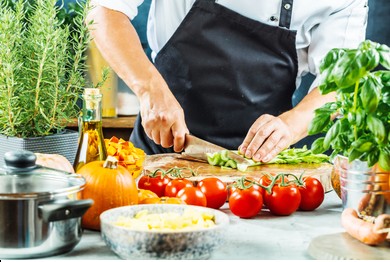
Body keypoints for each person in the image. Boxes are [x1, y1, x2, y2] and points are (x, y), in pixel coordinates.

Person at [87, 0, 368, 162]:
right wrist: (149, 90)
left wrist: (290, 126)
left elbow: (341, 80)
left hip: (257, 172)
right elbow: (104, 12)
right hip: (160, 155)